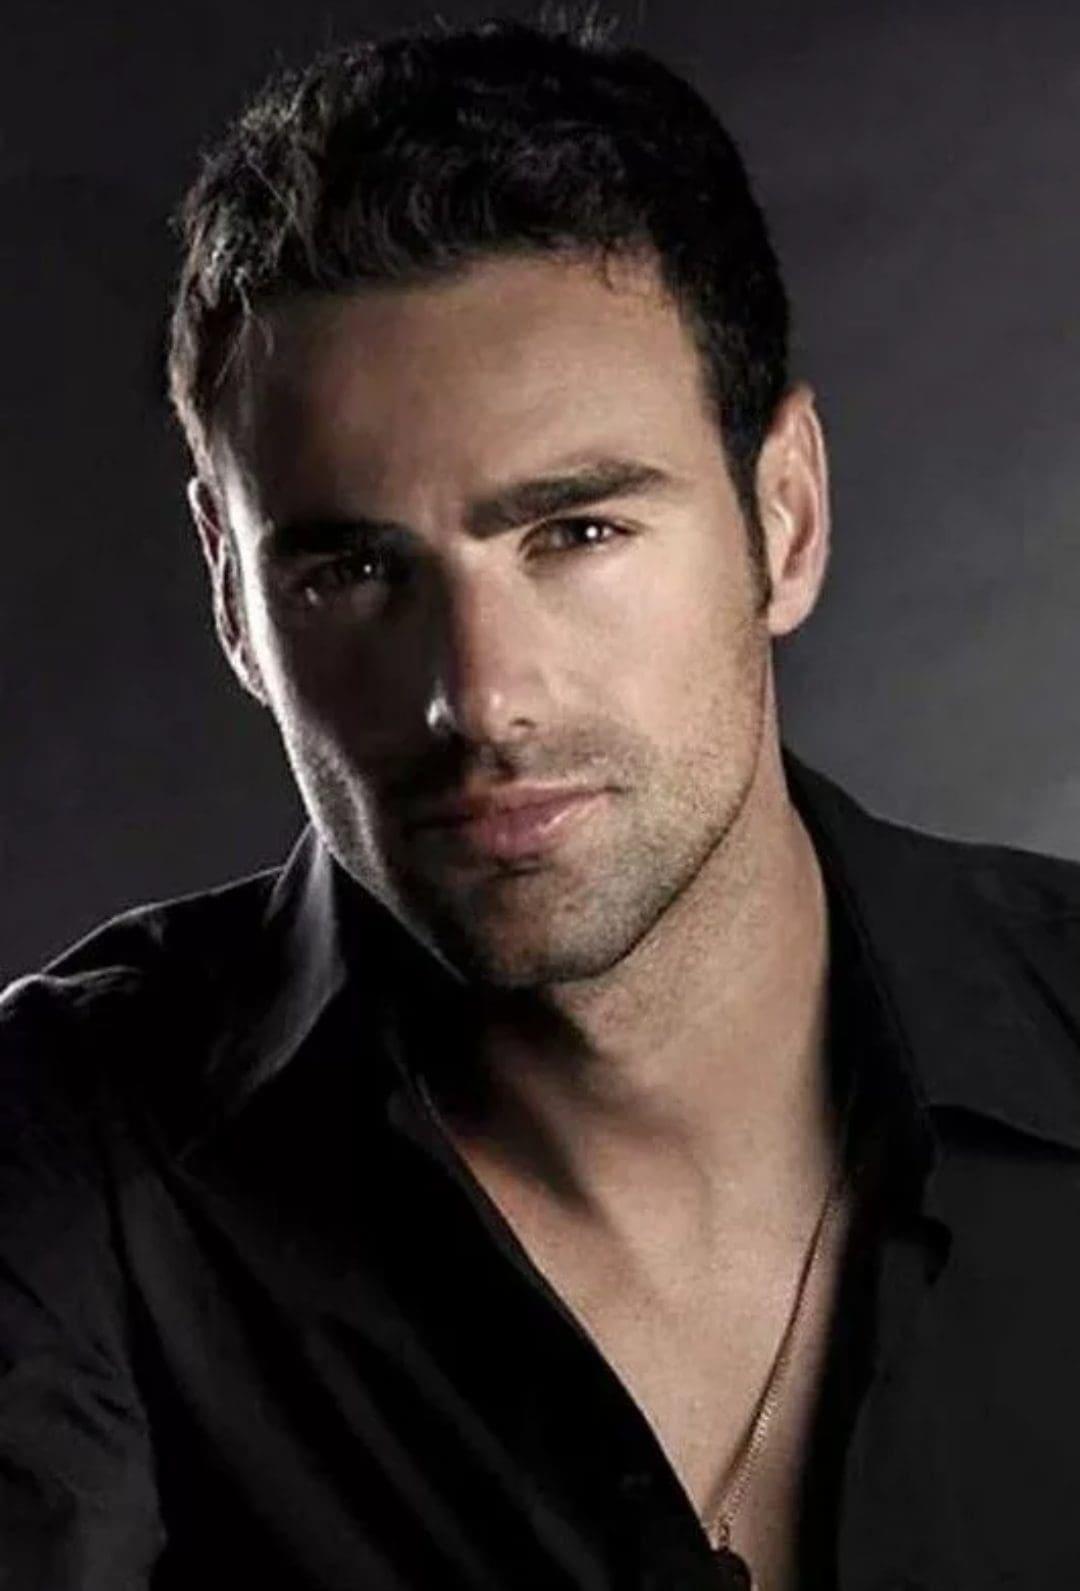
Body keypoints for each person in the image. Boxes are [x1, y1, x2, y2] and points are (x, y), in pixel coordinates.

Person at [3, 12, 1080, 1591]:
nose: (478, 698)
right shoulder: (64, 1157)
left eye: (575, 533)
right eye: (353, 570)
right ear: (234, 599)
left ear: (784, 519)